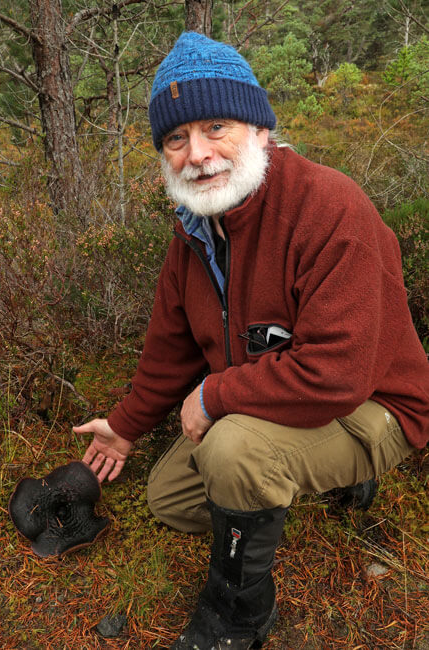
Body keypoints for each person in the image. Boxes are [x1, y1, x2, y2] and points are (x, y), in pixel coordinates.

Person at [74, 32, 429, 650]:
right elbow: (171, 347)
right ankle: (300, 482)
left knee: (233, 452)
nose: (199, 154)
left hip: (374, 405)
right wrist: (126, 426)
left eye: (217, 126)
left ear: (261, 129)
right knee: (172, 500)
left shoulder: (330, 208)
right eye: (176, 139)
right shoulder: (195, 231)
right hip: (274, 403)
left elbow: (338, 372)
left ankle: (239, 614)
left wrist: (214, 396)